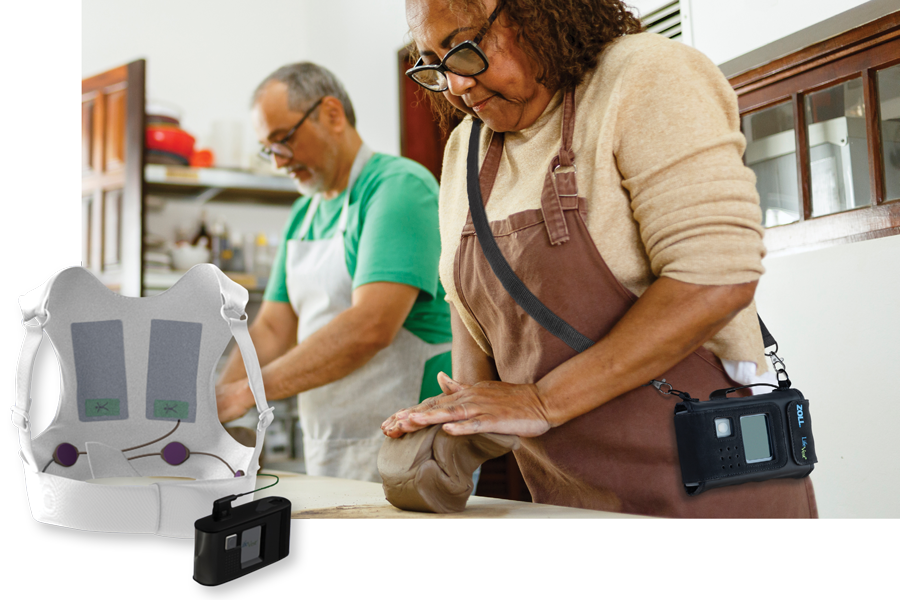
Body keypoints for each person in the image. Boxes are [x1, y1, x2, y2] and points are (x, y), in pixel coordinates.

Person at [382, 0, 817, 517]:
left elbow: (716, 279)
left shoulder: (644, 76)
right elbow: (475, 340)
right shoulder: (465, 152)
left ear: (535, 13)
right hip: (571, 507)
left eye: (463, 49)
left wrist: (543, 402)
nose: (455, 85)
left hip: (713, 490)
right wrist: (456, 423)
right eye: (434, 62)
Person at [217, 62, 451, 483]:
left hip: (410, 441)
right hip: (330, 440)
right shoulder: (304, 213)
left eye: (283, 141)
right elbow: (272, 327)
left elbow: (371, 326)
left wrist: (247, 392)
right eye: (267, 149)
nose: (278, 162)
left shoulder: (398, 187)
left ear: (332, 114)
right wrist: (214, 401)